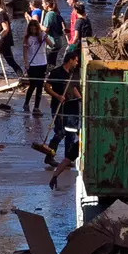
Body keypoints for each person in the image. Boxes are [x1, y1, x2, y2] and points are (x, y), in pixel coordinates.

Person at [45, 49, 83, 182]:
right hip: (59, 106)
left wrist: (80, 99)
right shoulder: (57, 72)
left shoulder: (73, 73)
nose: (77, 63)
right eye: (76, 61)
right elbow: (47, 87)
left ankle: (68, 158)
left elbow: (73, 88)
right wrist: (57, 96)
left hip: (71, 106)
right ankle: (50, 155)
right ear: (70, 60)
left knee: (71, 133)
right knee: (60, 132)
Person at [23, 20, 50, 114]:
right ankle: (26, 103)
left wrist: (46, 37)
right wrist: (26, 63)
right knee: (33, 84)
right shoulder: (27, 38)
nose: (33, 29)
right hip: (32, 64)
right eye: (31, 27)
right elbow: (25, 52)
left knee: (40, 86)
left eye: (35, 27)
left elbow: (52, 45)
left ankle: (36, 107)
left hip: (42, 63)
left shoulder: (42, 36)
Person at [42, 0, 68, 66]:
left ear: (47, 4)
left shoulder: (49, 14)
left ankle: (50, 75)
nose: (42, 5)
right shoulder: (55, 13)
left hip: (52, 42)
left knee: (49, 63)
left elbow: (45, 29)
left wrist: (38, 25)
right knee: (52, 62)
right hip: (58, 41)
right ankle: (52, 74)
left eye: (43, 3)